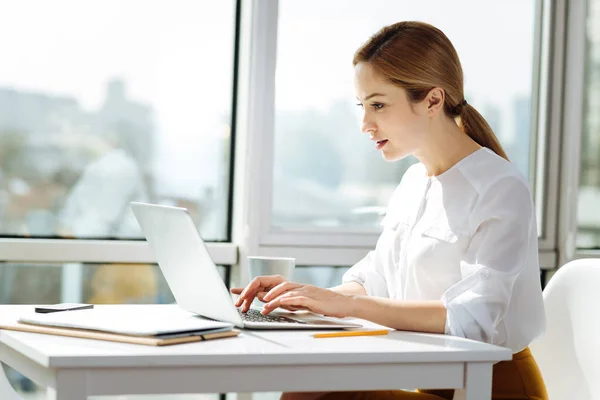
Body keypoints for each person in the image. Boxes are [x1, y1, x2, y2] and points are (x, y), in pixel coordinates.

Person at [232, 21, 548, 400]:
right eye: (362, 107)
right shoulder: (413, 182)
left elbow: (474, 321)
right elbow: (376, 279)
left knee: (316, 394)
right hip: (429, 377)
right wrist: (303, 299)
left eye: (378, 105)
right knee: (309, 387)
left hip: (491, 388)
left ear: (433, 100)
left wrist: (345, 304)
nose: (365, 124)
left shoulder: (500, 186)